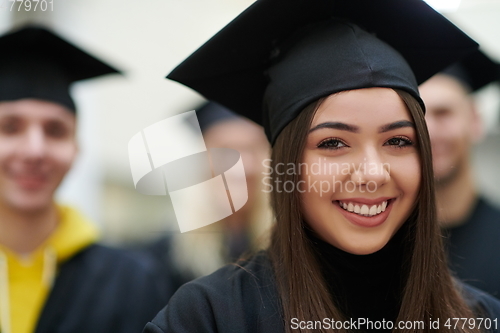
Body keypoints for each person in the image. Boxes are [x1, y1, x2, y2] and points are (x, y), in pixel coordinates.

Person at [143, 0, 500, 332]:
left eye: (398, 141)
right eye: (333, 143)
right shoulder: (207, 318)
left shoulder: (478, 318)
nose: (374, 173)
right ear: (285, 164)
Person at [0, 26, 167, 333]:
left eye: (55, 130)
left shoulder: (132, 281)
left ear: (76, 149)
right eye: (10, 127)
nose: (35, 150)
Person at [141, 101, 272, 291]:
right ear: (203, 161)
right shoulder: (163, 258)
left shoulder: (289, 249)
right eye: (226, 150)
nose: (244, 166)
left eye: (252, 149)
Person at [419, 50, 500, 298]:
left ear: (475, 121)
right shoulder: (383, 240)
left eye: (443, 113)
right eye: (416, 116)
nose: (429, 130)